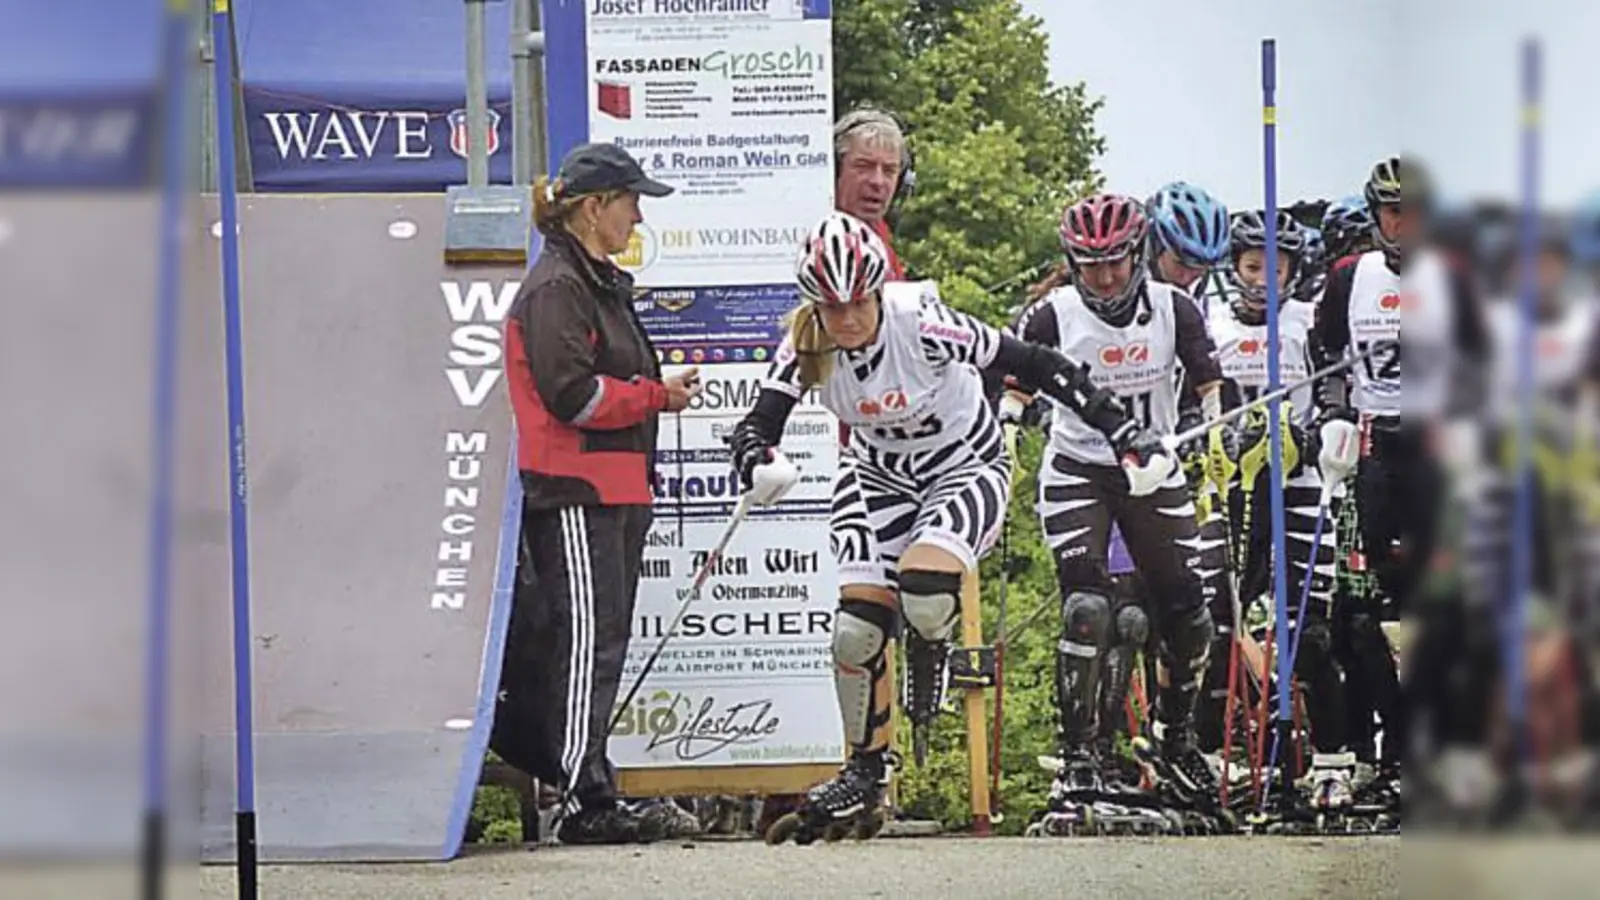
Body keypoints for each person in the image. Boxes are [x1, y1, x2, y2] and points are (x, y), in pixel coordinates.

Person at [733, 211, 1175, 843]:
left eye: (859, 303)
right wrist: (756, 459)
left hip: (963, 465)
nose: (849, 321)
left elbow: (1038, 363)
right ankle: (864, 770)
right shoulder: (807, 343)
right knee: (854, 633)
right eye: (833, 309)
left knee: (925, 589)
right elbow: (759, 423)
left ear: (877, 290)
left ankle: (930, 636)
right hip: (878, 476)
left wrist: (1123, 431)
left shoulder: (923, 322)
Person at [490, 142, 703, 846]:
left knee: (601, 638)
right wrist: (656, 397)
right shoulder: (557, 287)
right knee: (587, 641)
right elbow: (572, 395)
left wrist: (650, 398)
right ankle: (583, 796)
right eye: (631, 200)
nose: (639, 213)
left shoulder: (594, 278)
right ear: (593, 209)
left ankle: (592, 782)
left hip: (612, 486)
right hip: (575, 488)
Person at [1006, 193, 1227, 826]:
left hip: (1154, 469)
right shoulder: (1050, 315)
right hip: (1079, 467)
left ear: (1138, 255)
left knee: (1186, 608)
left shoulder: (1174, 308)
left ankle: (1176, 738)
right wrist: (1007, 433)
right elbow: (1016, 389)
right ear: (1072, 262)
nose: (1105, 279)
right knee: (1088, 608)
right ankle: (1079, 756)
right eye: (1089, 265)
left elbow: (1211, 390)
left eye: (1115, 263)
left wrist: (1216, 432)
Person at [1201, 209, 1361, 811]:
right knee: (1220, 618)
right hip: (1234, 487)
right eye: (1253, 265)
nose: (1266, 278)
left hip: (1299, 484)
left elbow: (1333, 389)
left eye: (1280, 266)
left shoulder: (1305, 323)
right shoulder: (1212, 322)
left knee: (1306, 630)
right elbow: (1195, 398)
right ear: (1235, 268)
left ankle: (1332, 760)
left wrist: (1318, 431)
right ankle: (1216, 754)